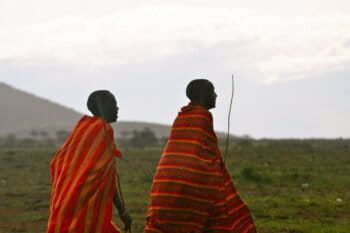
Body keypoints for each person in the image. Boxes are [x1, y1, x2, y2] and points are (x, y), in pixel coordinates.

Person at [145, 79, 256, 233]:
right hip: (190, 183)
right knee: (229, 213)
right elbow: (209, 157)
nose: (216, 95)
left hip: (166, 183)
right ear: (203, 95)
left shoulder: (182, 116)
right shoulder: (203, 116)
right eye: (212, 91)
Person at [47, 90, 132, 233]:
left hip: (66, 204)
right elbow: (105, 178)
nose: (117, 108)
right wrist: (123, 213)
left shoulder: (83, 128)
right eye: (113, 104)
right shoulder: (103, 130)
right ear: (102, 107)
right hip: (82, 209)